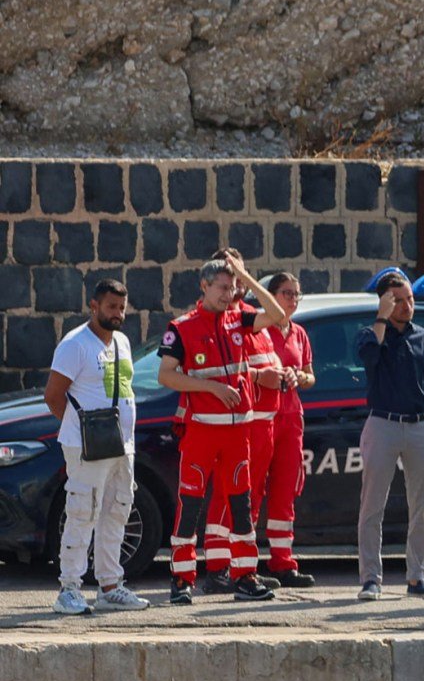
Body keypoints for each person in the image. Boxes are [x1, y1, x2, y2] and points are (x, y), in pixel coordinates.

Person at [156, 252, 288, 605]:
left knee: (241, 507)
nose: (228, 294)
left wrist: (248, 278)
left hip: (238, 433)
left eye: (232, 287)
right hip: (201, 431)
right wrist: (214, 389)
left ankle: (246, 576)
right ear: (203, 285)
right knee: (190, 507)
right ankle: (181, 580)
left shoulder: (240, 318)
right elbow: (166, 375)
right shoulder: (181, 327)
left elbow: (277, 315)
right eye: (222, 287)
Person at [44, 279, 148, 614]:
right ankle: (69, 588)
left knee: (117, 510)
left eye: (121, 307)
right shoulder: (75, 344)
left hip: (121, 445)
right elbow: (53, 395)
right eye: (111, 307)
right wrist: (79, 430)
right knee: (81, 511)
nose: (117, 313)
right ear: (94, 306)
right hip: (86, 446)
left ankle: (110, 585)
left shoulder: (122, 342)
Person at [354, 271, 424, 600]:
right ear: (384, 301)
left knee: (421, 506)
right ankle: (371, 579)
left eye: (410, 299)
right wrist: (381, 316)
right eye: (399, 300)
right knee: (372, 506)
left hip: (421, 426)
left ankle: (417, 578)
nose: (407, 305)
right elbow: (368, 357)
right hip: (383, 423)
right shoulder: (371, 335)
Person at [259, 273, 316, 587]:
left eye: (296, 294)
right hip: (261, 417)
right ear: (270, 296)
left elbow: (310, 376)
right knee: (252, 491)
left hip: (291, 418)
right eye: (285, 293)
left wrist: (299, 377)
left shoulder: (299, 333)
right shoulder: (258, 329)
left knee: (284, 492)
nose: (292, 300)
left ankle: (283, 563)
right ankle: (242, 564)